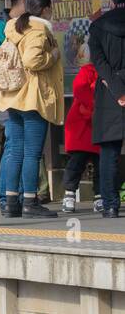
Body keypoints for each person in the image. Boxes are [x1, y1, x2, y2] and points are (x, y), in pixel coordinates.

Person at [0, 0, 61, 218]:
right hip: (32, 99)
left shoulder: (13, 28)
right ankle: (30, 202)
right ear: (45, 9)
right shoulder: (38, 30)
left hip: (12, 97)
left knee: (15, 151)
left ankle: (11, 201)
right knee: (32, 153)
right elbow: (32, 60)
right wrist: (52, 56)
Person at [88, 0, 125, 219]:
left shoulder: (98, 26)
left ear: (112, 0)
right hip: (116, 89)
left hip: (110, 93)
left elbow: (99, 63)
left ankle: (111, 205)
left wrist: (119, 90)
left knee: (109, 151)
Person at [63, 60, 101, 214]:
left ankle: (99, 196)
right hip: (83, 125)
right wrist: (96, 106)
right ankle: (69, 195)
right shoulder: (88, 70)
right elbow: (80, 90)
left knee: (101, 164)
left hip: (98, 123)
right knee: (77, 162)